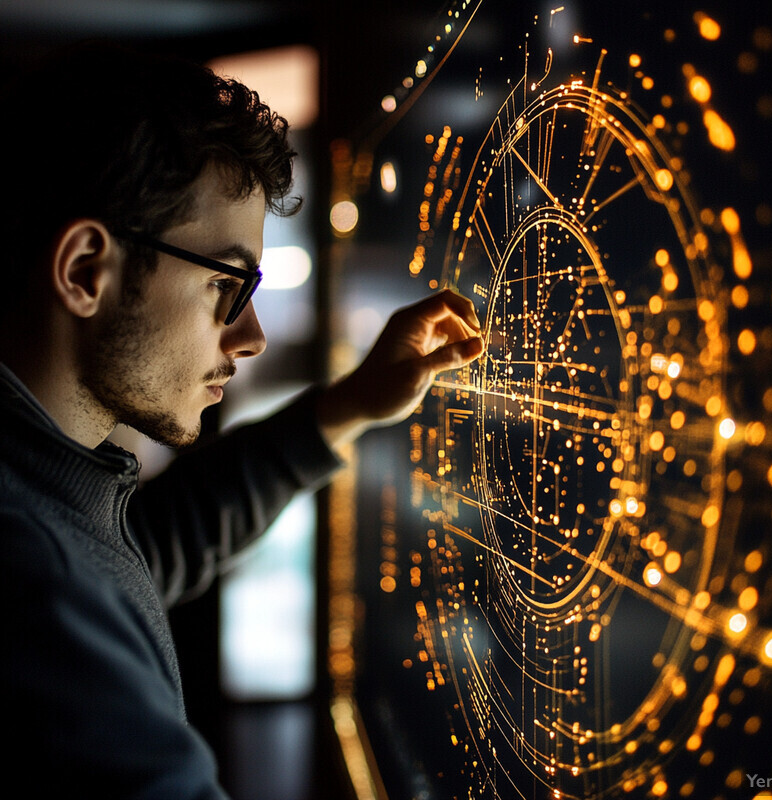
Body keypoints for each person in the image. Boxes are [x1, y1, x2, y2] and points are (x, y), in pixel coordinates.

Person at [0, 42, 483, 798]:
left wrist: (350, 404)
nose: (251, 334)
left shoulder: (48, 503)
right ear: (86, 270)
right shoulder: (35, 582)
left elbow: (159, 543)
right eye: (228, 285)